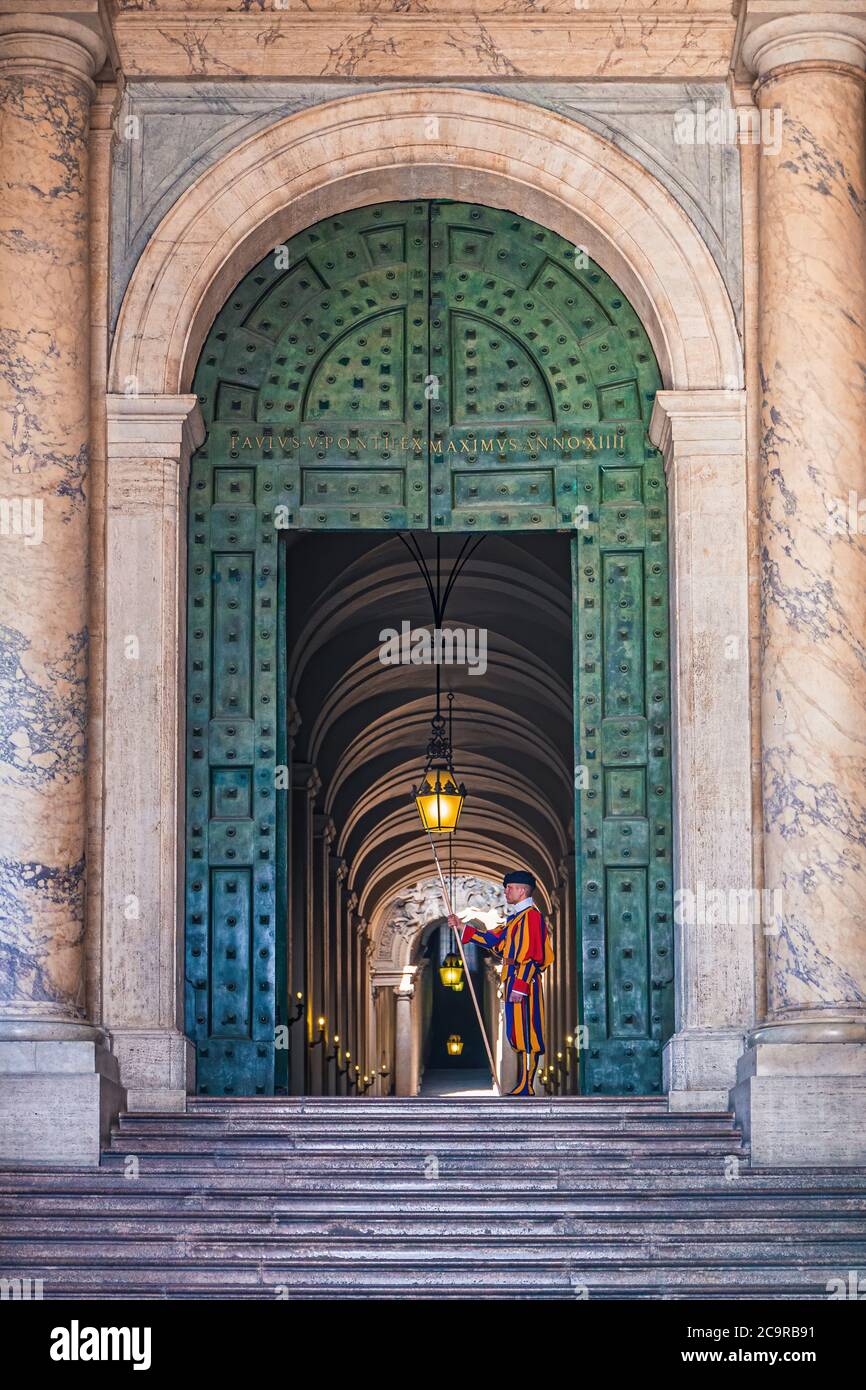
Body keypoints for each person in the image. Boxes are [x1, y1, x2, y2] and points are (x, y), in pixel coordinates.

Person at [449, 869, 553, 1097]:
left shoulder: (532, 917)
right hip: (513, 980)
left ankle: (527, 1084)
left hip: (524, 983)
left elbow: (532, 954)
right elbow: (493, 940)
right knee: (517, 1033)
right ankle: (523, 1083)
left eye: (510, 887)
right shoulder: (515, 918)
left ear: (522, 890)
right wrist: (461, 927)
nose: (505, 891)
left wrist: (520, 986)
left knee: (528, 1033)